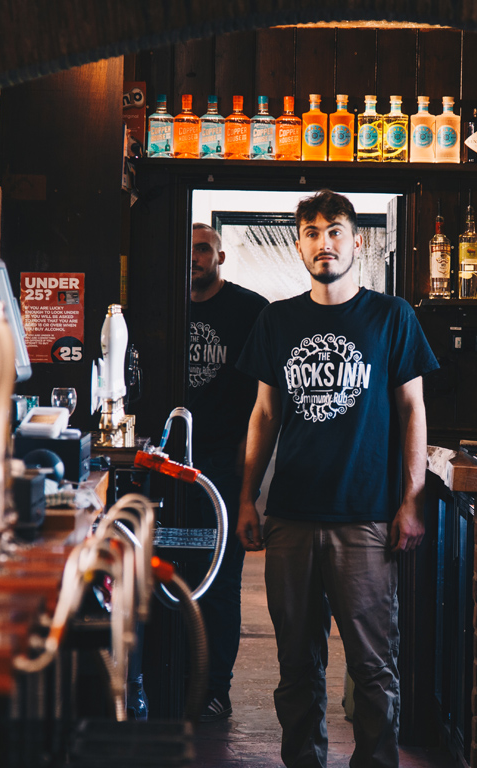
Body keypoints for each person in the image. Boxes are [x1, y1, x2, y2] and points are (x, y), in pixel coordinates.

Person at [235, 190, 437, 768]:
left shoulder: (391, 316)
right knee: (296, 667)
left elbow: (412, 412)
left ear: (358, 241)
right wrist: (247, 498)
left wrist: (411, 501)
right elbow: (265, 415)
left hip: (366, 516)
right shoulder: (278, 319)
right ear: (299, 243)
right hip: (291, 516)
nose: (324, 242)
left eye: (335, 230)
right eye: (311, 232)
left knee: (373, 668)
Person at [186, 222, 269, 722]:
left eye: (202, 249)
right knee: (168, 576)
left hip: (224, 461)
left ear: (220, 258)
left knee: (221, 585)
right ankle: (170, 680)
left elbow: (260, 404)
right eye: (187, 250)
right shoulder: (159, 301)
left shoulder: (248, 309)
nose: (193, 258)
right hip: (166, 463)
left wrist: (246, 489)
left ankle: (217, 689)